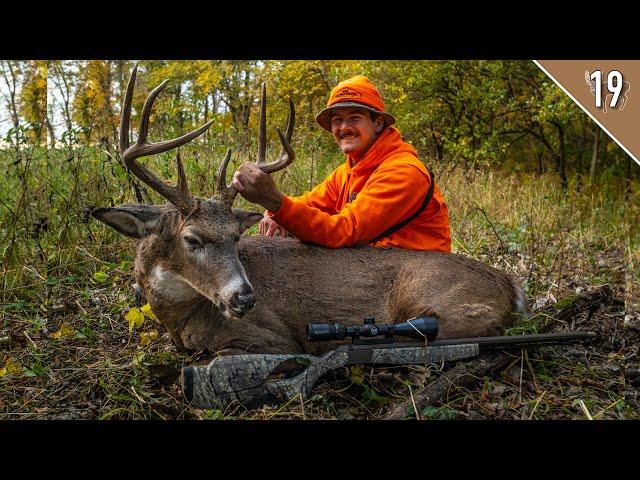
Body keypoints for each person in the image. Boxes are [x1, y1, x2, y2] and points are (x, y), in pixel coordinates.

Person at [232, 75, 451, 252]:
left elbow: (344, 230)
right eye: (337, 120)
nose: (344, 127)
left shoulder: (404, 172)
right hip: (377, 265)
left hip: (417, 274)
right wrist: (275, 213)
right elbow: (309, 203)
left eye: (354, 118)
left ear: (378, 123)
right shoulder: (347, 172)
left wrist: (275, 201)